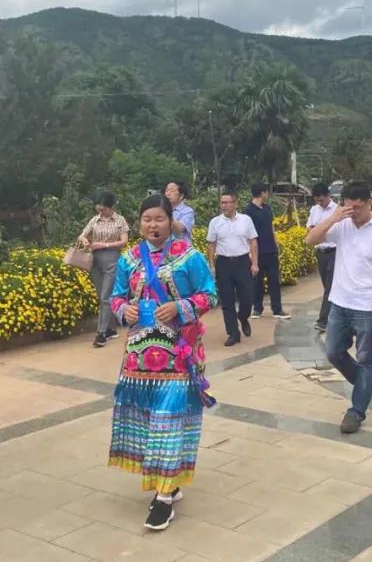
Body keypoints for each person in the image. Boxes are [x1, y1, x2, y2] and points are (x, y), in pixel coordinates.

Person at [109, 194, 218, 531]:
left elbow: (210, 293)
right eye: (146, 219)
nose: (152, 225)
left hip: (180, 356)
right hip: (140, 359)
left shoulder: (189, 256)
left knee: (168, 422)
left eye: (159, 219)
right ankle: (168, 481)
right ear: (139, 223)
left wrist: (181, 306)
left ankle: (164, 497)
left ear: (170, 221)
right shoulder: (129, 259)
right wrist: (122, 310)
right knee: (149, 422)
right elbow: (115, 296)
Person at [305, 181, 372, 435]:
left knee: (366, 360)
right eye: (349, 207)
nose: (354, 212)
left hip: (369, 307)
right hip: (340, 303)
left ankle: (356, 411)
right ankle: (366, 384)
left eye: (358, 207)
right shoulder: (341, 226)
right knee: (334, 352)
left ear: (369, 203)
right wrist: (334, 218)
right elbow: (310, 240)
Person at [77, 191, 131, 347]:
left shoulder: (120, 220)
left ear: (111, 207)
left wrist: (104, 245)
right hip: (95, 261)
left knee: (105, 296)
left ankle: (101, 333)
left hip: (112, 259)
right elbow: (82, 235)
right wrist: (85, 241)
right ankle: (111, 328)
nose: (101, 211)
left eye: (104, 208)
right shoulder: (94, 220)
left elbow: (124, 241)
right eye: (99, 208)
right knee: (102, 295)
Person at [207, 191, 259, 346]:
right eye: (222, 203)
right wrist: (212, 265)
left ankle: (243, 317)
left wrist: (255, 263)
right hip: (224, 263)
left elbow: (253, 242)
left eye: (228, 202)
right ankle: (233, 333)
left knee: (247, 297)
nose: (225, 206)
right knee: (227, 300)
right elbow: (211, 244)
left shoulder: (246, 220)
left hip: (243, 262)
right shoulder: (215, 222)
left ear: (235, 203)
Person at [245, 183, 291, 319]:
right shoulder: (248, 211)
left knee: (274, 280)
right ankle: (257, 308)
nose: (268, 195)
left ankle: (277, 309)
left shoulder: (267, 208)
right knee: (257, 281)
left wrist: (276, 243)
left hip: (270, 250)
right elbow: (247, 233)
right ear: (262, 193)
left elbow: (271, 226)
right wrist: (250, 252)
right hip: (257, 251)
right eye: (266, 192)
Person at [307, 183, 338, 333]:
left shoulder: (337, 210)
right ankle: (335, 316)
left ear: (328, 196)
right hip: (321, 252)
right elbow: (311, 230)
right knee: (328, 287)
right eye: (317, 200)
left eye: (322, 200)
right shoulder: (314, 210)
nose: (320, 203)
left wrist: (322, 233)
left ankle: (323, 321)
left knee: (331, 288)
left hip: (335, 252)